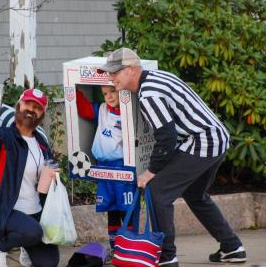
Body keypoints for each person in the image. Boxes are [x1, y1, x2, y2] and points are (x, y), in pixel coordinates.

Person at [97, 47, 246, 267]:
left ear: (131, 70)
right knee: (195, 195)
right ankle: (233, 248)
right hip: (216, 137)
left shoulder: (149, 95)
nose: (111, 77)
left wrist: (150, 172)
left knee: (158, 191)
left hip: (203, 143)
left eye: (115, 72)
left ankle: (167, 257)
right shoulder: (156, 77)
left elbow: (166, 137)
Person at [0, 88, 59, 267]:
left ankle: (26, 245)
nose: (31, 109)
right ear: (19, 105)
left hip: (35, 211)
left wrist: (54, 173)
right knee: (32, 232)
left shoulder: (41, 141)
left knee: (49, 263)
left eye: (37, 107)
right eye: (27, 104)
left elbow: (47, 171)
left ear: (42, 113)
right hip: (6, 209)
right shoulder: (4, 136)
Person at [76, 85, 134, 251]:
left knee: (126, 208)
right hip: (104, 167)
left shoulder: (129, 112)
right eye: (105, 94)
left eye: (112, 91)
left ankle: (130, 246)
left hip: (123, 166)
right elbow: (85, 110)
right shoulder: (101, 110)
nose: (108, 96)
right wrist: (75, 90)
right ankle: (115, 248)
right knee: (111, 209)